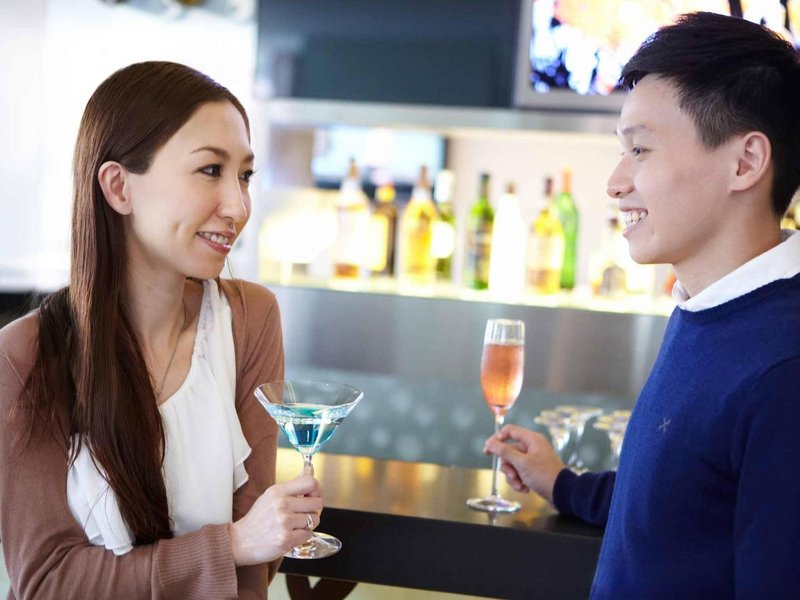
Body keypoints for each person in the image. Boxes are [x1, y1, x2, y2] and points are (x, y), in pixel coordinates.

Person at [485, 12, 800, 598]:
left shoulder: (783, 368)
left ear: (745, 163)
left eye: (641, 149)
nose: (615, 181)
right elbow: (678, 503)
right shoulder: (705, 309)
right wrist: (564, 484)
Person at [0, 61, 324, 599]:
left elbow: (256, 565)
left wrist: (246, 546)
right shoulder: (25, 355)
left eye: (244, 176)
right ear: (118, 188)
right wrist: (229, 546)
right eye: (210, 170)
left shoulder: (250, 321)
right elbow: (48, 582)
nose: (238, 207)